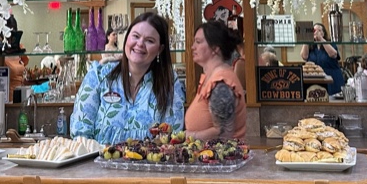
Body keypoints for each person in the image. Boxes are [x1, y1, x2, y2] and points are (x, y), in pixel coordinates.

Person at [70, 12, 184, 144]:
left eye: (149, 40)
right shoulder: (99, 75)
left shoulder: (169, 82)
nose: (140, 44)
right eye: (135, 36)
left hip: (151, 158)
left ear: (160, 49)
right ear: (126, 39)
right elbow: (80, 135)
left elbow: (173, 136)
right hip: (97, 157)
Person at [186, 20, 247, 140]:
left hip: (223, 152)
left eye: (198, 42)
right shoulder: (211, 78)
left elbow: (223, 133)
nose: (193, 47)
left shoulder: (221, 83)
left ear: (215, 48)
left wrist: (188, 136)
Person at [300, 23, 344, 95]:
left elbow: (333, 54)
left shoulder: (330, 43)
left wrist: (321, 39)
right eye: (314, 31)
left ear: (323, 33)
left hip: (332, 77)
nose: (316, 33)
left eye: (319, 30)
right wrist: (307, 39)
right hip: (316, 79)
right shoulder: (311, 46)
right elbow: (304, 56)